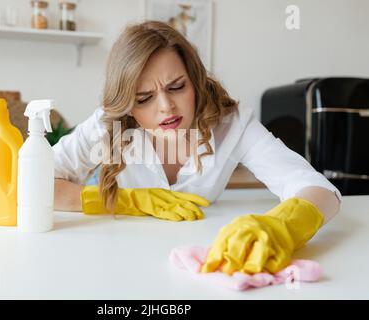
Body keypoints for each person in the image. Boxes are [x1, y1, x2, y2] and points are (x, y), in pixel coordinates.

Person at [52, 21, 341, 275]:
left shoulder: (233, 125)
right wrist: (127, 201)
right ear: (127, 105)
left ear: (195, 80)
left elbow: (319, 189)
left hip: (197, 259)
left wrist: (282, 227)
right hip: (121, 258)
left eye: (177, 87)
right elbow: (32, 182)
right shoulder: (107, 124)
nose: (166, 107)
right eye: (144, 98)